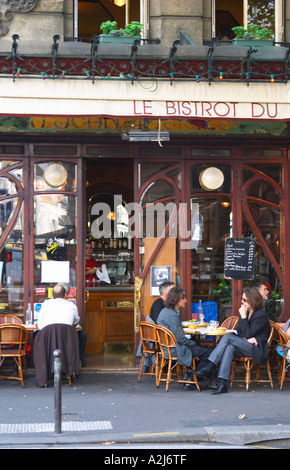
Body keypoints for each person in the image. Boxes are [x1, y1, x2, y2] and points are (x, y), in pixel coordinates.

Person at [193, 287, 270, 394]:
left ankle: (208, 367)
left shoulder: (261, 314)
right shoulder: (247, 313)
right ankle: (222, 383)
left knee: (228, 338)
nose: (242, 302)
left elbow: (247, 334)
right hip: (246, 345)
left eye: (244, 300)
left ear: (253, 300)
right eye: (242, 299)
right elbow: (238, 331)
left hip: (257, 349)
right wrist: (245, 336)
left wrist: (243, 318)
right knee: (230, 346)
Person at [157, 287, 211, 388]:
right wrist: (193, 343)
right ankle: (191, 378)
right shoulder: (173, 315)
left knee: (198, 348)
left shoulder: (164, 311)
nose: (185, 300)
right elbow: (180, 339)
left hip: (167, 348)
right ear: (175, 300)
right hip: (176, 349)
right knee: (209, 354)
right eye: (183, 298)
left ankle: (188, 375)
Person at [37, 284, 87, 367]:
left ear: (52, 296)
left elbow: (40, 325)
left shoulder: (45, 304)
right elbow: (76, 322)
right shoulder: (72, 306)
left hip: (49, 340)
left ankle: (42, 364)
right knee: (82, 335)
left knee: (36, 335)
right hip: (67, 340)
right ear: (65, 295)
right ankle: (76, 361)